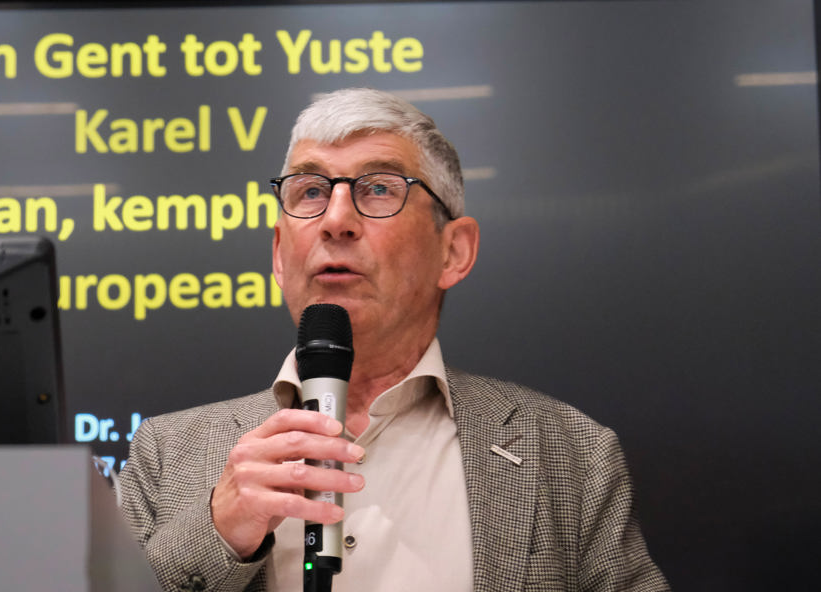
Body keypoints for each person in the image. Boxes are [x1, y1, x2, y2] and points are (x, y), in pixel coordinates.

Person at [120, 87, 669, 592]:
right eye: (310, 191)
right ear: (279, 255)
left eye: (379, 188)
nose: (336, 220)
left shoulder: (572, 454)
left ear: (453, 251)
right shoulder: (167, 454)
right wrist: (215, 532)